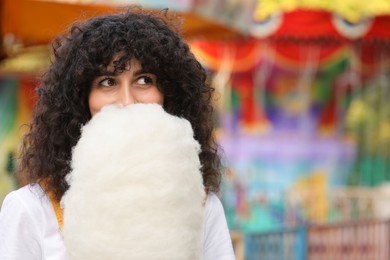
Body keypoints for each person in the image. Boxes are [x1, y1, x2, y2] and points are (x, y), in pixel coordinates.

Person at [0, 7, 235, 260]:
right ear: (81, 99)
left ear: (169, 95)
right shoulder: (31, 209)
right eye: (108, 82)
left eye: (144, 80)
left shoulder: (201, 207)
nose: (127, 100)